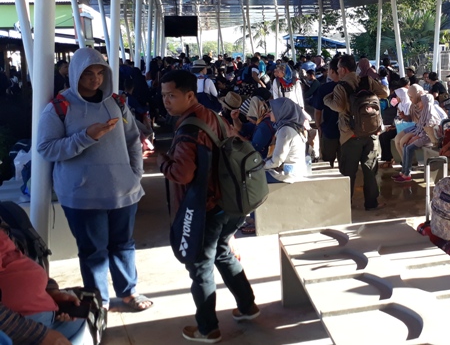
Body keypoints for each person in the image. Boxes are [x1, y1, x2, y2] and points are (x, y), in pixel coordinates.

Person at [36, 47, 152, 312]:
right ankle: (99, 300)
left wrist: (135, 173)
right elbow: (47, 148)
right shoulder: (59, 108)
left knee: (124, 245)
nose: (95, 79)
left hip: (123, 190)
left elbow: (133, 139)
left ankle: (128, 292)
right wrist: (86, 136)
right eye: (88, 73)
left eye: (100, 72)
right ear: (75, 73)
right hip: (82, 195)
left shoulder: (117, 102)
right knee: (93, 251)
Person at [158, 70, 258, 343]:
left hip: (206, 207)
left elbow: (182, 174)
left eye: (172, 95)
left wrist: (162, 162)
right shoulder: (212, 115)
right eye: (164, 95)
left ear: (190, 95)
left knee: (200, 266)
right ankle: (247, 306)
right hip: (230, 202)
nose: (166, 101)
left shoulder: (189, 129)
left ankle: (207, 328)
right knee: (222, 252)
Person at [0, 227, 88, 345]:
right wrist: (39, 335)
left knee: (84, 320)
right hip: (18, 326)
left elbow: (24, 265)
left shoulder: (5, 229)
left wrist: (52, 292)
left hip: (43, 315)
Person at [324, 55, 390, 210]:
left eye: (338, 68)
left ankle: (345, 204)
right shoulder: (367, 81)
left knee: (348, 171)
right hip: (371, 133)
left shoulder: (341, 87)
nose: (337, 71)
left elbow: (338, 106)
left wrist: (327, 99)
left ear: (343, 69)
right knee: (370, 170)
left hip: (350, 135)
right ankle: (372, 203)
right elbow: (385, 93)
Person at [393, 93, 447, 182]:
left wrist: (415, 138)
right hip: (422, 135)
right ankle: (404, 171)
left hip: (427, 138)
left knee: (409, 148)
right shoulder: (425, 112)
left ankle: (407, 174)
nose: (418, 104)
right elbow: (420, 127)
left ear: (425, 102)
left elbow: (427, 131)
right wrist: (414, 136)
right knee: (406, 146)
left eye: (420, 101)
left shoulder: (430, 114)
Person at [262, 98, 310, 182]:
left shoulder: (285, 130)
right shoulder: (294, 127)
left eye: (272, 110)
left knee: (251, 177)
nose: (269, 113)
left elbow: (276, 161)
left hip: (288, 175)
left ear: (281, 112)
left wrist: (259, 166)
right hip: (296, 172)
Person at [311, 58, 341, 168]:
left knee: (328, 161)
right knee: (345, 162)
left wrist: (318, 126)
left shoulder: (324, 88)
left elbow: (318, 111)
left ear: (332, 71)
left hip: (329, 128)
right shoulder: (351, 86)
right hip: (347, 130)